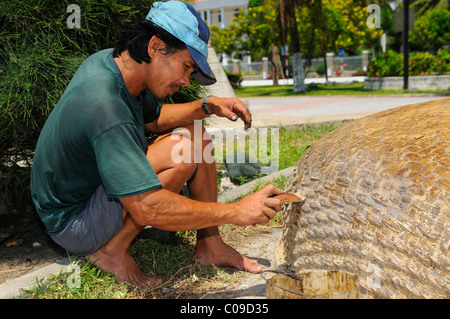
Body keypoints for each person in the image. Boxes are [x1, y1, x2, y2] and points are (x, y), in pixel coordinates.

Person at [30, 0, 282, 287]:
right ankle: (110, 253)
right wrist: (238, 211)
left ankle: (210, 244)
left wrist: (207, 105)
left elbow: (155, 117)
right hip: (74, 222)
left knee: (196, 134)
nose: (187, 80)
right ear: (156, 47)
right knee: (182, 153)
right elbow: (148, 207)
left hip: (82, 196)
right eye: (186, 66)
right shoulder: (106, 105)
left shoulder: (113, 65)